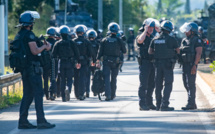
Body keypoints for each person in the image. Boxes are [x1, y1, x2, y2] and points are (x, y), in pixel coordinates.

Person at [16, 11, 55, 129]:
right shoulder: (29, 35)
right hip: (33, 69)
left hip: (25, 69)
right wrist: (45, 47)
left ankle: (22, 121)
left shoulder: (19, 35)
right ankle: (41, 121)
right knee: (38, 94)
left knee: (27, 95)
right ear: (30, 23)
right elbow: (35, 51)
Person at [149, 20, 180, 111]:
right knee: (168, 84)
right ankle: (165, 105)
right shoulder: (172, 39)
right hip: (168, 65)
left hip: (157, 65)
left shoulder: (155, 39)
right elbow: (178, 51)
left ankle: (158, 105)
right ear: (170, 30)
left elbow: (150, 51)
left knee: (158, 84)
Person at [96, 22, 126, 101]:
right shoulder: (119, 40)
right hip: (116, 62)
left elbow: (100, 52)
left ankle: (108, 95)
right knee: (114, 78)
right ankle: (112, 95)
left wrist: (97, 61)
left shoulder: (104, 40)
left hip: (106, 62)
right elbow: (124, 51)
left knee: (106, 78)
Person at [52, 25, 80, 102]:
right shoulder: (72, 42)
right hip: (70, 62)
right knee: (70, 78)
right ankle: (68, 89)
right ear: (68, 33)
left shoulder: (58, 43)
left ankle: (63, 96)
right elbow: (77, 53)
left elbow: (53, 55)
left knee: (62, 79)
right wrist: (78, 62)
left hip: (61, 62)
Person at [179, 22, 202, 110]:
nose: (185, 32)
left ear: (192, 31)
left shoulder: (197, 40)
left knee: (190, 84)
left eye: (187, 30)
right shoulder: (184, 40)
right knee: (186, 83)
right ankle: (193, 103)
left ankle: (191, 104)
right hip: (185, 65)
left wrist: (194, 65)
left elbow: (199, 53)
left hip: (192, 65)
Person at [136, 18, 158, 111]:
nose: (151, 29)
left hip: (152, 62)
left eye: (152, 27)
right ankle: (142, 104)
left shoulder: (153, 37)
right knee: (143, 84)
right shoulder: (141, 36)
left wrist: (158, 30)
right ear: (145, 27)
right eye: (149, 27)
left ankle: (149, 103)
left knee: (152, 84)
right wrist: (145, 31)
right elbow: (140, 41)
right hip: (144, 62)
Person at [73, 25, 96, 100]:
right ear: (83, 32)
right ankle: (81, 94)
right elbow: (92, 52)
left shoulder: (73, 41)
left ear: (76, 32)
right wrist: (94, 60)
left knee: (76, 78)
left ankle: (76, 94)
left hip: (75, 62)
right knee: (83, 78)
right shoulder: (87, 42)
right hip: (84, 62)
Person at [42, 27, 56, 100]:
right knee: (53, 78)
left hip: (44, 63)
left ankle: (46, 94)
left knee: (45, 79)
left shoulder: (44, 42)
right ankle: (52, 93)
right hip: (53, 62)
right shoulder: (55, 42)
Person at [85, 29, 100, 98]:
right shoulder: (97, 44)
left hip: (87, 62)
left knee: (87, 77)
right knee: (96, 77)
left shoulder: (86, 43)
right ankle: (95, 91)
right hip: (95, 62)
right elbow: (99, 53)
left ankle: (87, 91)